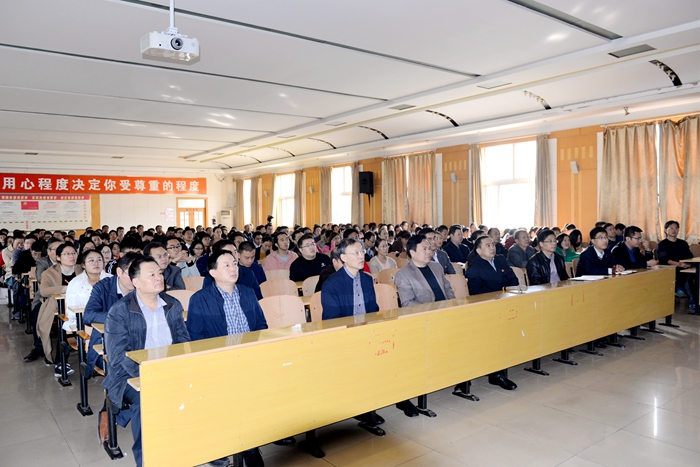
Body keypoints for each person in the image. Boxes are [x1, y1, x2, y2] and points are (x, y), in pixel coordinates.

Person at [103, 256, 190, 467]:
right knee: (146, 400)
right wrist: (151, 374)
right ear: (136, 282)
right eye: (151, 274)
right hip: (129, 375)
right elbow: (118, 356)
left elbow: (183, 342)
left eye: (159, 273)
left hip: (168, 369)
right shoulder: (120, 311)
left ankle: (203, 451)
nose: (159, 277)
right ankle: (147, 461)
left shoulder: (172, 304)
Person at [394, 234, 455, 410]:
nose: (429, 251)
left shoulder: (436, 267)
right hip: (423, 321)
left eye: (430, 248)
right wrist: (433, 311)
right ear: (412, 252)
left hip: (446, 315)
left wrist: (452, 305)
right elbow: (407, 304)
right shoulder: (404, 275)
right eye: (424, 249)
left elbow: (448, 289)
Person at [465, 235, 519, 390]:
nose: (492, 247)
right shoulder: (474, 268)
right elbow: (476, 294)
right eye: (487, 245)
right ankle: (496, 374)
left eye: (493, 244)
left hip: (506, 302)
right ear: (478, 250)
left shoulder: (501, 259)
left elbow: (513, 280)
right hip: (487, 309)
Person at [36, 243, 83, 373]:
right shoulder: (49, 272)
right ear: (58, 257)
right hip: (58, 307)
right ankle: (60, 362)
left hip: (80, 306)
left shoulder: (81, 269)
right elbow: (44, 291)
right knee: (64, 326)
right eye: (67, 254)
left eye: (73, 253)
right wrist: (65, 289)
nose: (71, 256)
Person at [657, 220, 696, 308]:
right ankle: (694, 302)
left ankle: (691, 296)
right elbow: (664, 259)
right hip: (670, 269)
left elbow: (690, 257)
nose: (674, 230)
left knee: (695, 274)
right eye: (671, 228)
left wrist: (689, 265)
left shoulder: (683, 243)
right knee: (688, 277)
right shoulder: (662, 244)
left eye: (676, 228)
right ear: (665, 230)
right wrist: (679, 264)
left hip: (685, 267)